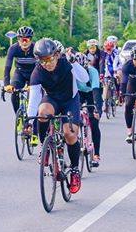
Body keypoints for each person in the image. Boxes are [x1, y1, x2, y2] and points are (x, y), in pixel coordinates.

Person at [27, 38, 90, 194]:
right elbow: (34, 97)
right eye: (42, 61)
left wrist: (74, 62)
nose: (47, 64)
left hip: (70, 100)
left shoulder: (66, 64)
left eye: (49, 59)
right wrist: (29, 119)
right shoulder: (38, 71)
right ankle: (45, 146)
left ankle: (75, 170)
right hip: (52, 99)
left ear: (56, 55)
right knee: (42, 114)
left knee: (69, 134)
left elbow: (85, 79)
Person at [74, 53, 102, 168]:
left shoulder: (93, 71)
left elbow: (96, 91)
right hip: (79, 93)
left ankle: (96, 154)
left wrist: (97, 109)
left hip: (91, 93)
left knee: (94, 122)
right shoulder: (72, 71)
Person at [3, 26, 37, 113]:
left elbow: (40, 67)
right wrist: (7, 85)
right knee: (14, 94)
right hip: (20, 73)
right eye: (22, 40)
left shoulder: (36, 48)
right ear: (18, 40)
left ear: (31, 39)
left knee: (34, 96)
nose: (24, 42)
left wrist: (35, 85)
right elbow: (7, 67)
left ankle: (33, 117)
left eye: (26, 40)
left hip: (33, 73)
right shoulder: (13, 48)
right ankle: (18, 116)